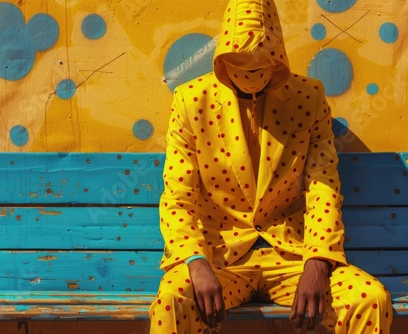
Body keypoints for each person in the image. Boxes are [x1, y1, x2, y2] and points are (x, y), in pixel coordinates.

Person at [149, 0, 393, 333]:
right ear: (222, 57)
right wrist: (195, 261)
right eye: (239, 65)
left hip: (293, 257)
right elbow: (179, 194)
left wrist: (318, 262)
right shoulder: (191, 101)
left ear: (278, 56)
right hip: (220, 260)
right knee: (174, 300)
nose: (251, 75)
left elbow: (323, 186)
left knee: (370, 298)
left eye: (261, 66)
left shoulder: (308, 97)